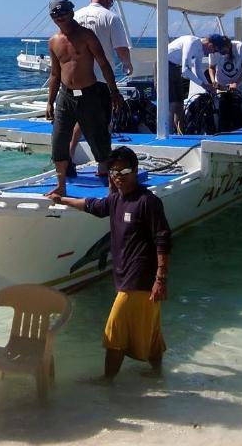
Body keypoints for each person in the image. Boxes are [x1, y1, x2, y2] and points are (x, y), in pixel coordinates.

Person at [46, 146, 171, 380]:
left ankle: (107, 383)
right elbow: (92, 205)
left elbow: (163, 240)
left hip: (140, 280)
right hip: (126, 278)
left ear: (135, 170)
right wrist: (61, 199)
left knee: (114, 332)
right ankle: (157, 375)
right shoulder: (116, 201)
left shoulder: (148, 202)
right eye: (113, 172)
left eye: (124, 171)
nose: (118, 176)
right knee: (151, 332)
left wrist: (160, 279)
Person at [46, 0, 124, 195]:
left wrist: (113, 91)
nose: (60, 17)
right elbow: (55, 73)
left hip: (89, 94)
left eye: (63, 13)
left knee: (99, 139)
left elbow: (104, 64)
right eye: (55, 15)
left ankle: (112, 185)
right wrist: (49, 102)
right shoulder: (53, 41)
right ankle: (61, 186)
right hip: (65, 96)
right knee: (59, 140)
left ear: (71, 12)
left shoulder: (87, 36)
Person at [69, 0, 133, 171]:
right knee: (102, 121)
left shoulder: (75, 16)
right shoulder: (111, 17)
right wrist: (128, 64)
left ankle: (69, 156)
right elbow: (121, 48)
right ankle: (103, 166)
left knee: (80, 119)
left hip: (77, 79)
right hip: (99, 80)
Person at [166, 34, 222, 133]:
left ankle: (180, 133)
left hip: (175, 67)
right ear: (210, 45)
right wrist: (203, 85)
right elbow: (186, 69)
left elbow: (198, 69)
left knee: (180, 104)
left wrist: (208, 86)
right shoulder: (192, 42)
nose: (212, 53)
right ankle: (167, 133)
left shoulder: (200, 50)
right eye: (214, 50)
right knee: (172, 104)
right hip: (165, 65)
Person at [208, 36, 242, 125]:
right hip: (221, 82)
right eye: (219, 51)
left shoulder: (240, 47)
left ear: (228, 45)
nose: (221, 53)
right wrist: (213, 82)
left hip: (239, 80)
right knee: (219, 104)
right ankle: (218, 128)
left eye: (223, 50)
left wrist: (237, 83)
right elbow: (211, 67)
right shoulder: (214, 51)